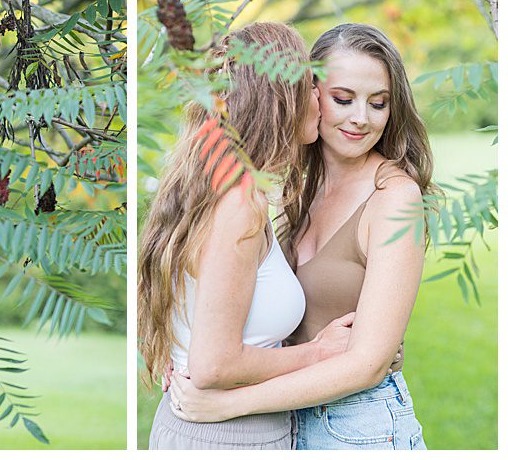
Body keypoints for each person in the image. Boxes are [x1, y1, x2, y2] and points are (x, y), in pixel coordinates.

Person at [168, 23, 433, 450]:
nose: (360, 118)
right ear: (306, 95)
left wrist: (229, 404)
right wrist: (182, 349)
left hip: (357, 426)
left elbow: (366, 365)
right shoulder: (295, 188)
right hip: (286, 420)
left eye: (378, 103)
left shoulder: (395, 198)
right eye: (342, 99)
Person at [140, 22, 353, 449]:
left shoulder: (221, 187)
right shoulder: (239, 206)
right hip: (227, 436)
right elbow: (213, 365)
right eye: (312, 84)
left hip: (217, 427)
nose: (320, 97)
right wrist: (320, 351)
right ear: (281, 97)